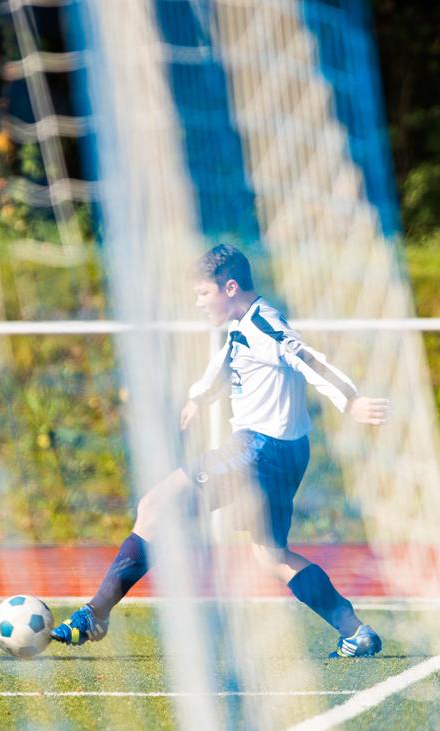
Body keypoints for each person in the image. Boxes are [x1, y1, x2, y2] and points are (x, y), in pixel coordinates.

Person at [51, 244, 390, 658]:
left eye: (202, 294)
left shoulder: (265, 326)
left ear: (230, 287)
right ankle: (355, 632)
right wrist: (200, 397)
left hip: (257, 450)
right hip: (285, 452)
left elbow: (308, 359)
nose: (198, 303)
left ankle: (95, 614)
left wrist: (350, 400)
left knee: (155, 508)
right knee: (271, 555)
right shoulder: (244, 325)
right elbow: (229, 360)